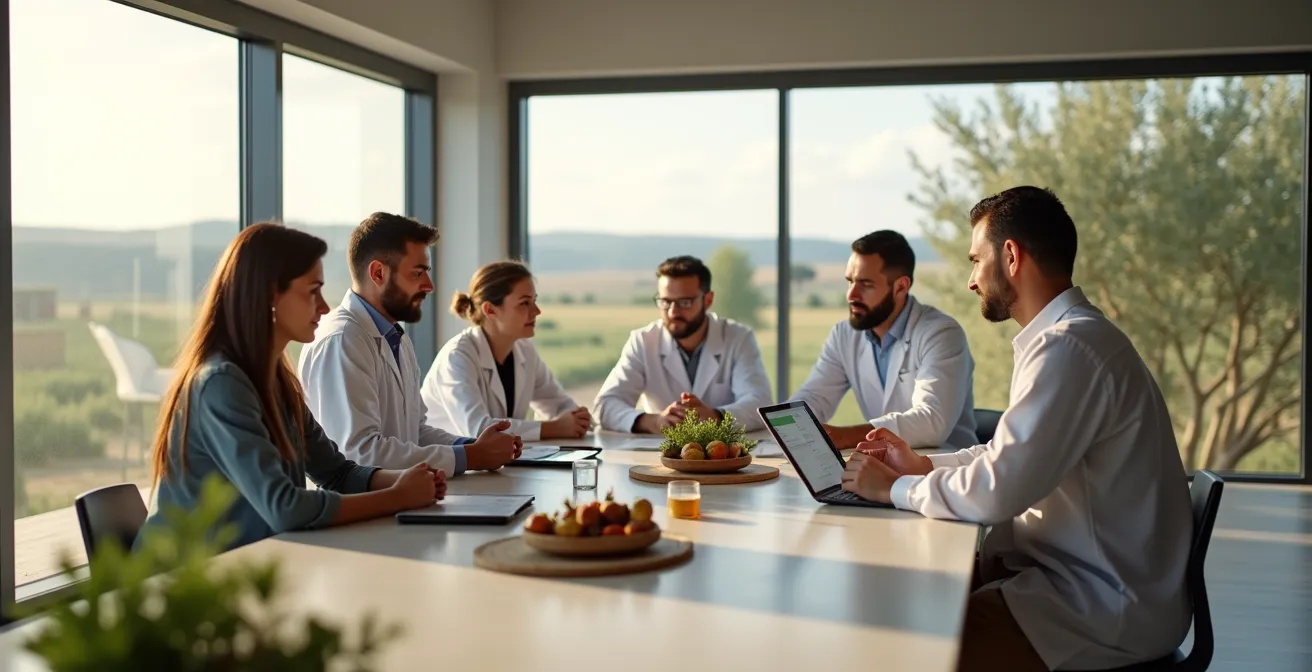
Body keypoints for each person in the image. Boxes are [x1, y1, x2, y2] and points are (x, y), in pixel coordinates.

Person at [842, 187, 1193, 671]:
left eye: (975, 260)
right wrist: (924, 464)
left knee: (906, 647)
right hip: (1074, 582)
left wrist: (896, 489)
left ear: (1010, 256)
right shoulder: (1068, 340)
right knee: (909, 609)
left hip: (1099, 605)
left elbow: (998, 491)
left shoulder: (1070, 348)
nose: (970, 280)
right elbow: (1004, 454)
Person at [138, 223, 444, 552]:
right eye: (313, 291)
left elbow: (337, 473)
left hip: (243, 567)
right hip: (182, 585)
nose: (324, 307)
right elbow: (285, 508)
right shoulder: (221, 383)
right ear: (271, 295)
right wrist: (397, 497)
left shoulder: (278, 380)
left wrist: (408, 479)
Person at [297, 212, 519, 477]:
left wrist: (475, 446)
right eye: (418, 273)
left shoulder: (394, 337)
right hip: (362, 511)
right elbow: (359, 453)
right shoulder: (343, 340)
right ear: (378, 273)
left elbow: (416, 432)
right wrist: (470, 457)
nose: (430, 286)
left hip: (403, 499)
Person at [790, 231, 977, 450]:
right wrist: (783, 426)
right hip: (882, 468)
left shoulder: (941, 333)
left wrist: (846, 436)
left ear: (900, 287)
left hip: (945, 471)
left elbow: (931, 421)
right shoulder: (844, 335)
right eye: (850, 281)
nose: (851, 295)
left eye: (866, 284)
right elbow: (814, 398)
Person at [594, 255, 772, 433]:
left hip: (724, 452)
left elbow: (760, 403)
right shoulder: (643, 341)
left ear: (708, 300)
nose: (673, 312)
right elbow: (605, 406)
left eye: (685, 302)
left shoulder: (737, 338)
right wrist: (653, 421)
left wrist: (715, 417)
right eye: (665, 302)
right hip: (661, 453)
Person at [421, 261, 590, 441]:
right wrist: (555, 428)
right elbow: (478, 429)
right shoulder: (457, 357)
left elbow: (559, 406)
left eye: (534, 301)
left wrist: (577, 419)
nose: (537, 311)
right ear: (490, 310)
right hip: (444, 465)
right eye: (525, 303)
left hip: (495, 464)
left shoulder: (524, 351)